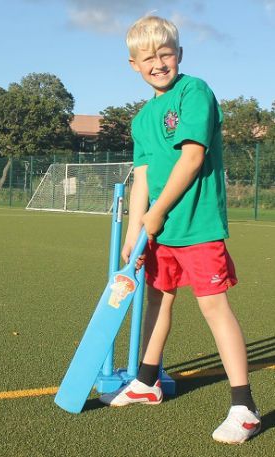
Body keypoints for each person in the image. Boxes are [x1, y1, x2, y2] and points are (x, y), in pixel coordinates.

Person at [98, 15, 259, 445]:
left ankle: (244, 407)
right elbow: (144, 176)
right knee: (156, 300)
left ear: (179, 54)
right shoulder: (142, 118)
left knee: (213, 308)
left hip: (197, 224)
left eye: (165, 53)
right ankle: (147, 382)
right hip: (160, 232)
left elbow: (191, 158)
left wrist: (157, 213)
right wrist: (136, 228)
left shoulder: (194, 92)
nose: (158, 63)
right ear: (133, 64)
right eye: (148, 57)